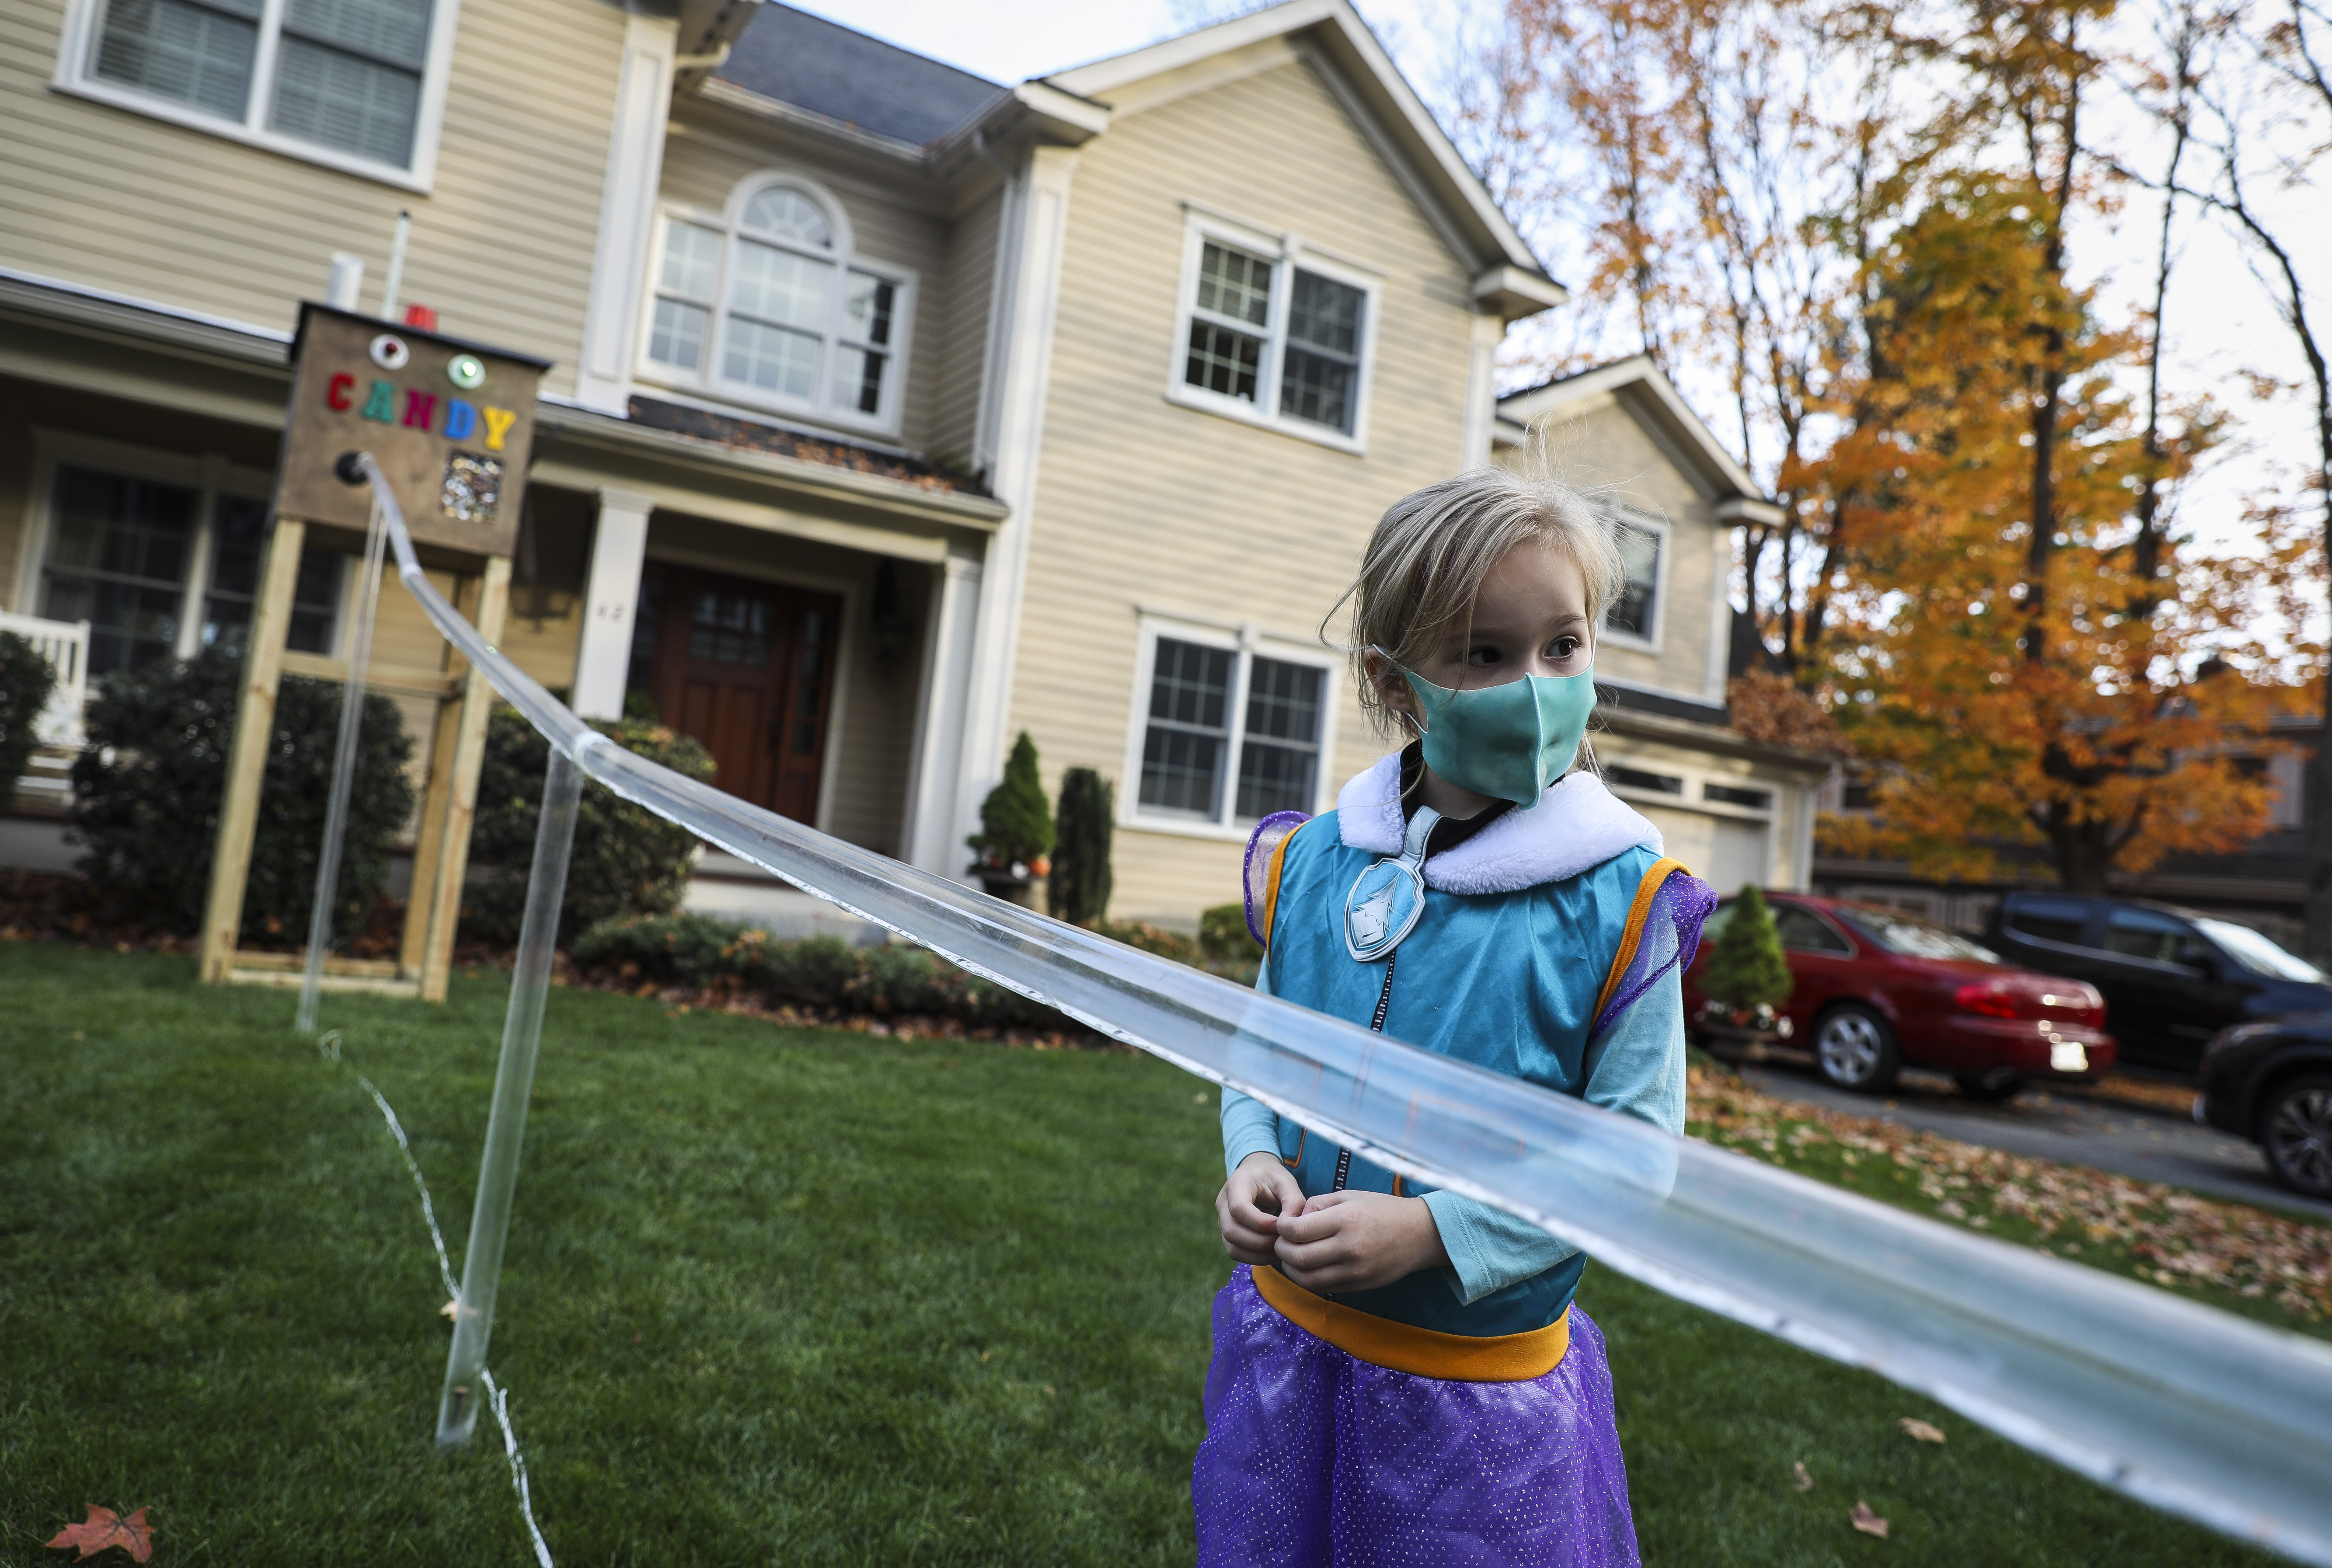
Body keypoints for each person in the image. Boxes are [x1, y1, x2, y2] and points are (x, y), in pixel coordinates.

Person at [1194, 466, 1713, 1567]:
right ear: (1396, 683)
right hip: (1291, 1351)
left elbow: (1633, 1159)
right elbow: (1265, 1045)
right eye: (1485, 654)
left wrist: (1437, 1233)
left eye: (1562, 647)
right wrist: (1251, 1155)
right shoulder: (1322, 858)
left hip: (1475, 1402)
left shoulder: (1624, 901)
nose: (1534, 686)